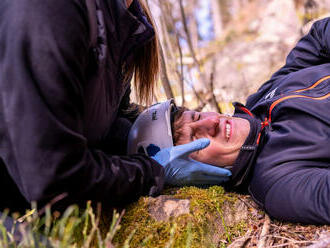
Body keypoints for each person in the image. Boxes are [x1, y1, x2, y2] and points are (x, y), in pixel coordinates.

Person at [0, 0, 231, 219]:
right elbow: (52, 175)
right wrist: (153, 171)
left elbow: (112, 124)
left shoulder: (126, 25)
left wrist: (172, 132)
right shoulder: (51, 11)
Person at [128, 17, 330, 225]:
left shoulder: (260, 99)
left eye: (196, 117)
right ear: (200, 175)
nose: (211, 123)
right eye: (196, 139)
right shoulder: (276, 182)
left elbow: (318, 37)